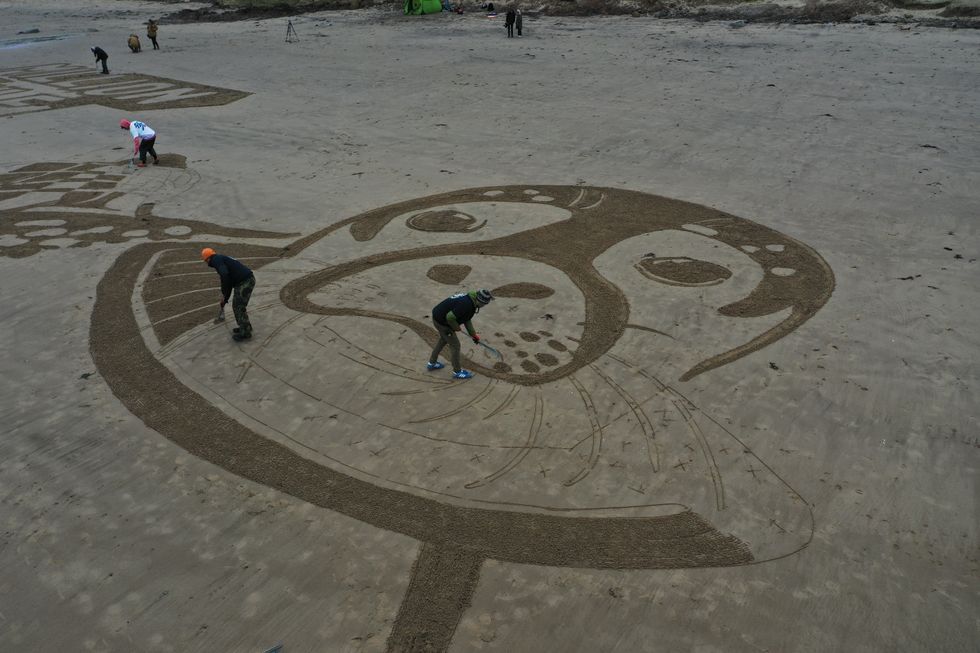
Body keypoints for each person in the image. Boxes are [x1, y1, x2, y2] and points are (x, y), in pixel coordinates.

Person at [428, 289, 494, 380]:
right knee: (455, 345)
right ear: (480, 301)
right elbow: (450, 317)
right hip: (442, 322)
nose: (484, 306)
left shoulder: (471, 300)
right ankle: (457, 372)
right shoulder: (466, 304)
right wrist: (455, 327)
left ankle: (432, 363)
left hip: (438, 317)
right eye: (484, 304)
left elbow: (467, 319)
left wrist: (473, 334)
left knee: (443, 340)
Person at [201, 248, 255, 342]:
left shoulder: (216, 260)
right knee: (238, 306)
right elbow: (227, 281)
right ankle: (245, 327)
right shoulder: (220, 259)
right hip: (245, 281)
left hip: (245, 281)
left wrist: (224, 294)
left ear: (207, 259)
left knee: (238, 306)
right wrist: (225, 298)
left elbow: (225, 276)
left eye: (206, 261)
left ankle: (245, 333)